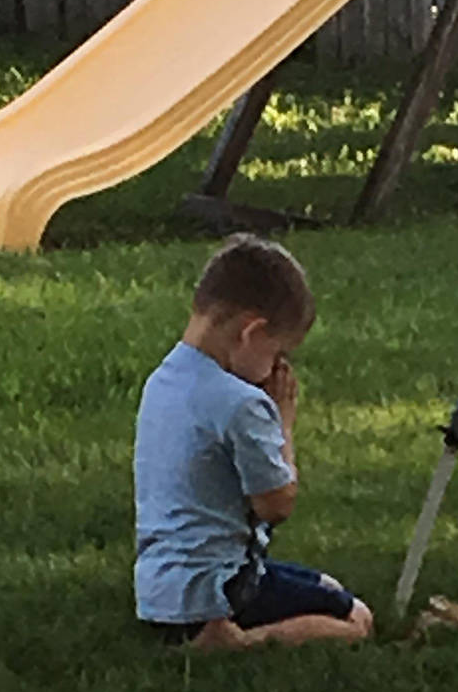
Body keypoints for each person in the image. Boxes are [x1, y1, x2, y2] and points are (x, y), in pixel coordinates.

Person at [133, 233, 374, 651]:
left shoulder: (163, 380)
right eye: (277, 353)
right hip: (219, 586)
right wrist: (284, 425)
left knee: (327, 585)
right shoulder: (241, 402)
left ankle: (198, 630)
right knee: (356, 617)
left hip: (160, 588)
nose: (277, 368)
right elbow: (276, 504)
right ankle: (237, 640)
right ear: (252, 332)